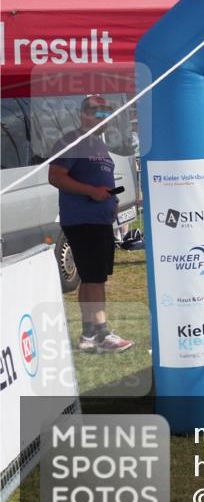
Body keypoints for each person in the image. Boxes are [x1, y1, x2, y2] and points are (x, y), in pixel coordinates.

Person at [48, 95, 134, 353]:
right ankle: (102, 333)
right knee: (95, 279)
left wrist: (112, 198)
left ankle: (88, 335)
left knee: (90, 278)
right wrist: (92, 191)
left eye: (106, 112)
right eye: (96, 112)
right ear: (83, 115)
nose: (102, 117)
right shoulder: (72, 141)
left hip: (98, 219)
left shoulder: (97, 144)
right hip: (82, 220)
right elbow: (55, 176)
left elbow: (100, 182)